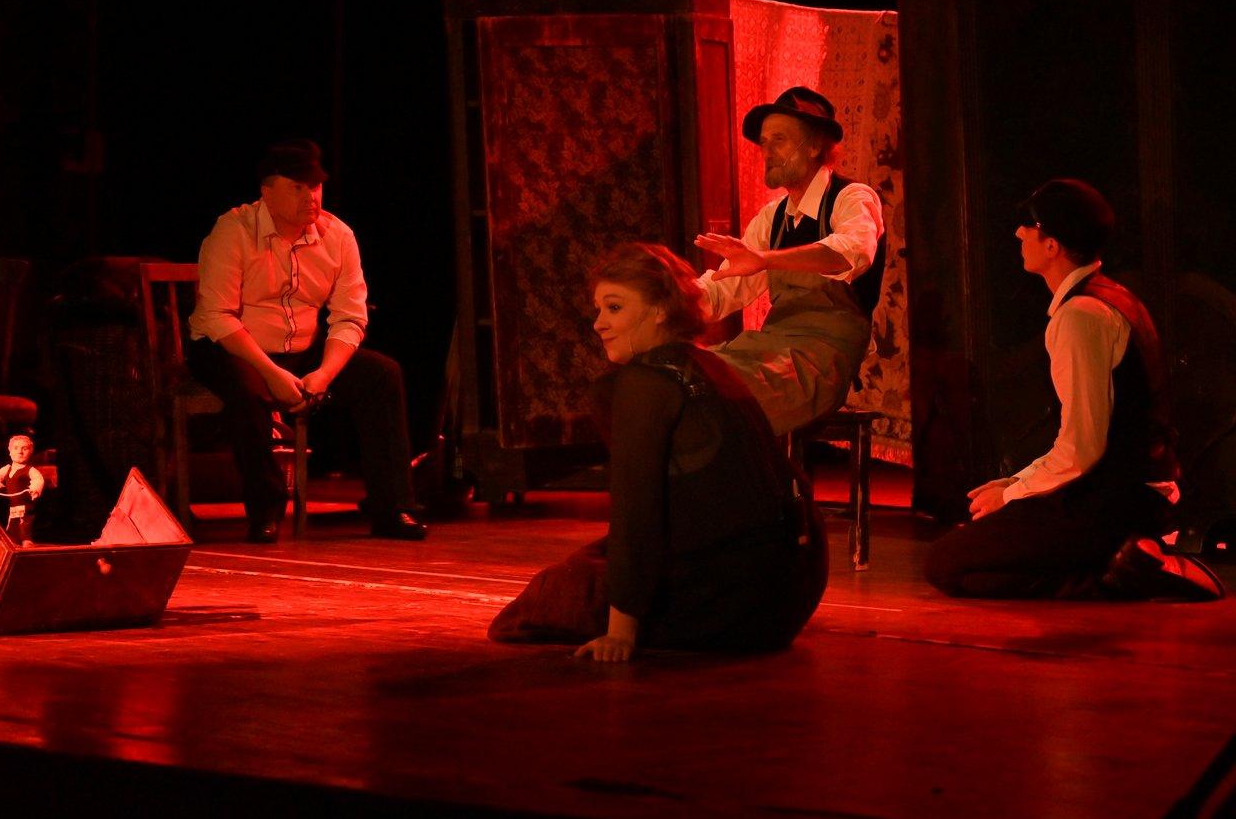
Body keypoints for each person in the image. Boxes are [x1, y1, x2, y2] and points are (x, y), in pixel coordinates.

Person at [489, 243, 828, 662]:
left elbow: (636, 511)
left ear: (660, 310)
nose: (598, 324)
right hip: (789, 592)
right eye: (599, 309)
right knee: (591, 559)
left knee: (548, 595)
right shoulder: (713, 364)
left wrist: (620, 633)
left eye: (615, 308)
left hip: (731, 602)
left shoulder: (645, 383)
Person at [924, 179, 1223, 601]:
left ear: (1052, 245)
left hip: (1117, 502)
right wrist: (1016, 482)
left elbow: (1082, 449)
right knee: (973, 563)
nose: (1018, 232)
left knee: (946, 564)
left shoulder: (1081, 316)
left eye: (1030, 225)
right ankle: (1124, 562)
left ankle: (1131, 572)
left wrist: (1011, 494)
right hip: (1117, 493)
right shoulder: (1108, 298)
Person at [187, 138, 426, 544]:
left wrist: (324, 374)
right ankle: (265, 508)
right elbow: (216, 316)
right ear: (267, 192)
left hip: (302, 349)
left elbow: (350, 316)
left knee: (382, 376)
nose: (310, 197)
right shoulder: (234, 230)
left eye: (314, 187)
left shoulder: (338, 236)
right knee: (248, 391)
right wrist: (271, 373)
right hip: (233, 346)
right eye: (296, 187)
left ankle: (393, 507)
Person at [692, 86, 885, 435]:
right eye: (764, 143)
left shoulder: (851, 198)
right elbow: (723, 288)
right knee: (692, 374)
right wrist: (668, 302)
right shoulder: (773, 217)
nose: (767, 152)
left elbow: (850, 252)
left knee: (730, 394)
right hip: (773, 345)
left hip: (823, 358)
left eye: (779, 140)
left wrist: (765, 259)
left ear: (815, 146)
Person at [0, 433, 44, 546]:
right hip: (12, 506)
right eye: (16, 448)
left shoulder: (30, 470)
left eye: (24, 449)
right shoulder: (7, 469)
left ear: (30, 452)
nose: (20, 452)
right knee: (13, 525)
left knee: (25, 524)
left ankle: (26, 540)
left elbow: (38, 479)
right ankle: (13, 541)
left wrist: (35, 489)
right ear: (10, 451)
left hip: (26, 507)